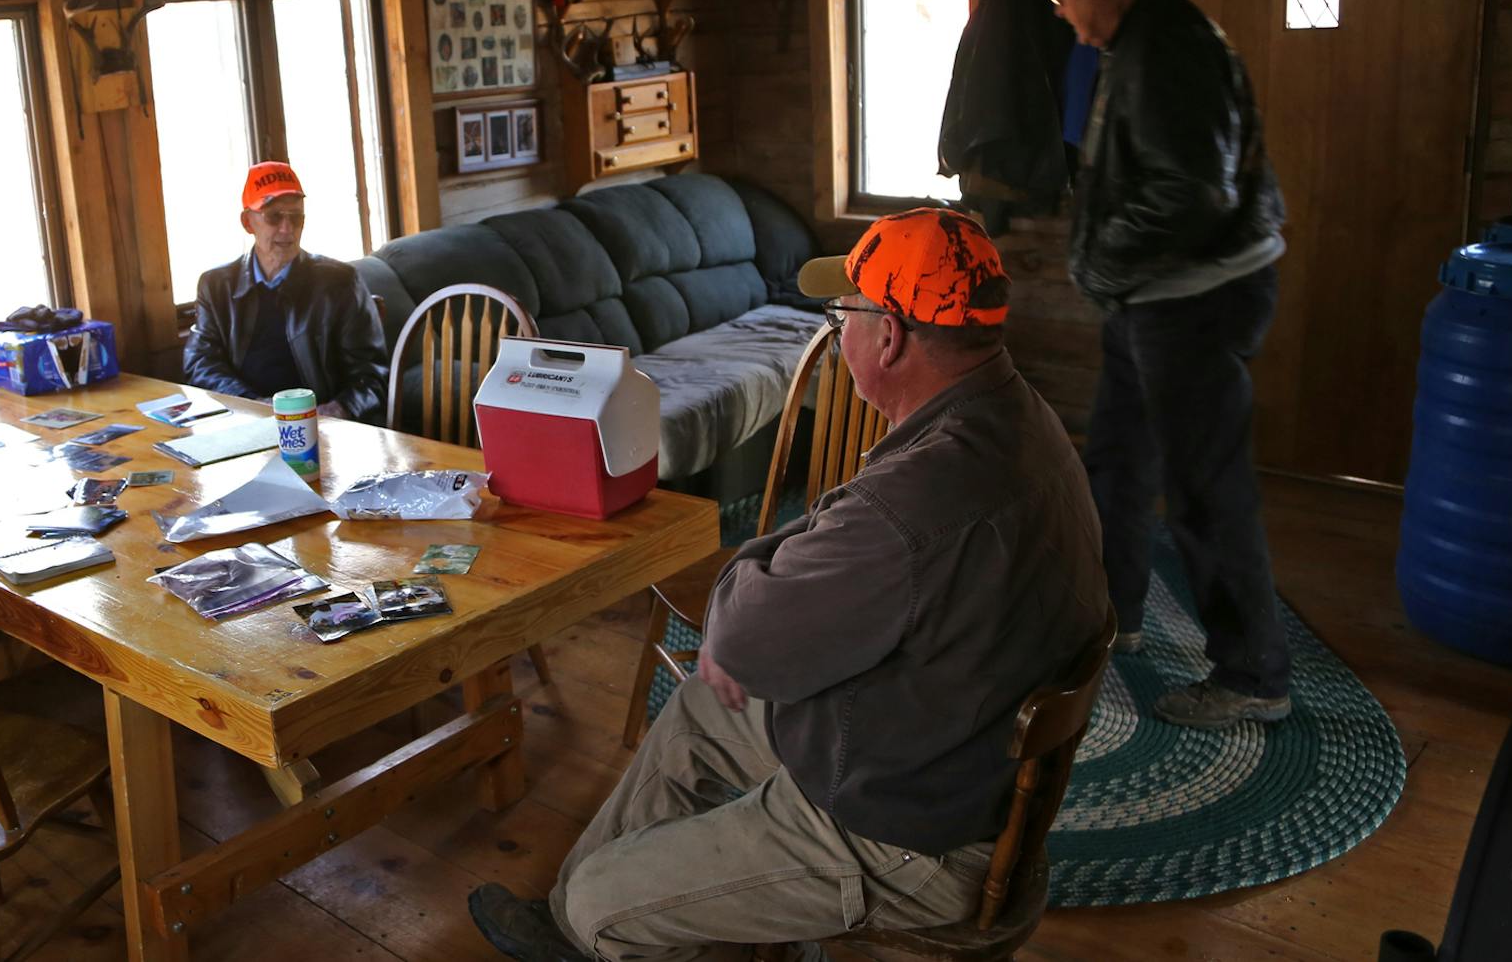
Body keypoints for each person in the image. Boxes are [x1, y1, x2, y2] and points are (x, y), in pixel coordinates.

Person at [467, 209, 1111, 961]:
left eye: (844, 314)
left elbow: (743, 635)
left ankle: (595, 921)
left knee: (600, 907)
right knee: (708, 703)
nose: (838, 333)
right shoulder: (1019, 416)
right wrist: (816, 537)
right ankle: (574, 932)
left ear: (892, 336)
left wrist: (778, 545)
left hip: (904, 834)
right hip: (942, 752)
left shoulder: (916, 499)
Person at [1022, 0, 1294, 728]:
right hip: (1154, 298)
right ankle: (1117, 618)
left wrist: (1101, 265)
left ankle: (1253, 677)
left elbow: (1193, 192)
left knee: (1206, 487)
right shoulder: (1138, 41)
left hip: (1191, 298)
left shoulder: (1169, 46)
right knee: (1117, 460)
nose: (1061, 15)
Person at [183, 161, 389, 423]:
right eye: (274, 216)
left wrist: (338, 410)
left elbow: (372, 374)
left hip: (320, 424)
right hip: (245, 422)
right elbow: (200, 364)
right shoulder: (216, 285)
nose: (286, 229)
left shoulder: (339, 283)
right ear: (248, 222)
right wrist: (254, 406)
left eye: (296, 217)